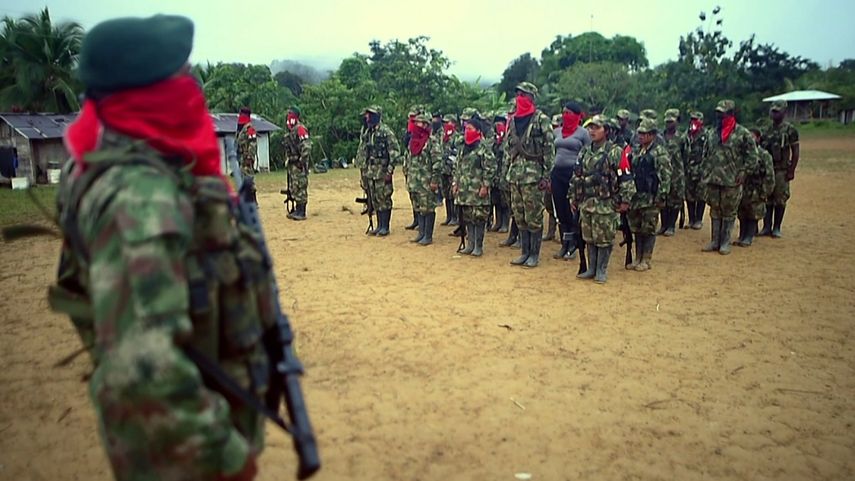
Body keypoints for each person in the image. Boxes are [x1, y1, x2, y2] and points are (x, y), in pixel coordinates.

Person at [51, 15, 266, 481]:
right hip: (181, 452)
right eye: (181, 79)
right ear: (150, 91)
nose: (193, 91)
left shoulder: (101, 161)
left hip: (170, 428)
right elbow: (144, 366)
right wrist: (224, 455)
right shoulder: (139, 198)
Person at [569, 115, 636, 283]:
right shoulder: (585, 151)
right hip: (587, 202)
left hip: (606, 203)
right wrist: (573, 197)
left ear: (606, 131)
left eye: (596, 128)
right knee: (589, 237)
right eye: (590, 128)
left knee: (604, 238)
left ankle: (601, 269)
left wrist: (625, 200)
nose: (592, 131)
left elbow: (625, 177)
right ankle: (591, 268)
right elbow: (576, 175)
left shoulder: (615, 152)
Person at [505, 82, 555, 268]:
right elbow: (508, 148)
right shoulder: (513, 120)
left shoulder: (541, 119)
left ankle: (534, 254)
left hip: (533, 176)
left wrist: (546, 176)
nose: (520, 98)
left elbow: (549, 149)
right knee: (519, 215)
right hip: (515, 175)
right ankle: (524, 252)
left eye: (523, 95)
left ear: (532, 97)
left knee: (533, 216)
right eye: (518, 94)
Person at [700, 99, 759, 255]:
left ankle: (725, 242)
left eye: (723, 114)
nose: (719, 117)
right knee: (715, 210)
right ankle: (715, 241)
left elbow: (753, 156)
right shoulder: (712, 133)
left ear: (731, 114)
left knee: (729, 211)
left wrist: (744, 171)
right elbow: (706, 154)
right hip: (713, 179)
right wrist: (705, 172)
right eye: (718, 114)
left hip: (731, 180)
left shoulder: (742, 134)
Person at [626, 118, 671, 271]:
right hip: (636, 196)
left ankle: (646, 259)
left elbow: (666, 175)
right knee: (637, 228)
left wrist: (662, 195)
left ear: (652, 135)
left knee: (649, 228)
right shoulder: (636, 151)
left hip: (651, 196)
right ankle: (637, 257)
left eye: (644, 133)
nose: (641, 136)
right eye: (640, 133)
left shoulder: (660, 152)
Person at [551, 101, 591, 260]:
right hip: (557, 174)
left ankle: (574, 245)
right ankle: (565, 244)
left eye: (568, 113)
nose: (565, 116)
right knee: (560, 209)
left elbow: (588, 153)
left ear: (576, 115)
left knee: (572, 210)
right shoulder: (556, 132)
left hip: (573, 175)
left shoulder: (583, 133)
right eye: (563, 113)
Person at [454, 112, 495, 257]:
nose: (467, 131)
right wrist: (455, 183)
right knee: (468, 217)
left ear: (478, 131)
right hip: (465, 190)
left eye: (470, 129)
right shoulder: (463, 148)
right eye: (466, 128)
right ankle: (470, 244)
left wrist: (485, 185)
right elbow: (457, 167)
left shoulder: (483, 147)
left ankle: (478, 246)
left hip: (478, 189)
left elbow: (490, 167)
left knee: (479, 217)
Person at [759, 99, 800, 238]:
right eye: (773, 111)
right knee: (767, 198)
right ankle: (766, 227)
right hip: (767, 170)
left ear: (784, 112)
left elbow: (795, 151)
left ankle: (777, 227)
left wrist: (791, 170)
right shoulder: (766, 129)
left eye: (777, 111)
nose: (774, 114)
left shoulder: (790, 130)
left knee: (780, 199)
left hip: (781, 170)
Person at [358, 105, 400, 236]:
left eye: (370, 115)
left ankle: (385, 227)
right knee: (375, 199)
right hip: (371, 171)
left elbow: (395, 152)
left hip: (382, 171)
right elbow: (364, 151)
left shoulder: (386, 132)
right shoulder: (368, 132)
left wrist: (389, 171)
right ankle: (379, 225)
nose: (368, 118)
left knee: (384, 198)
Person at [405, 113, 442, 245]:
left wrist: (434, 180)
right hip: (414, 181)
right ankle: (421, 233)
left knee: (428, 208)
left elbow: (437, 162)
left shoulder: (431, 141)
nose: (416, 125)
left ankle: (428, 235)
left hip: (426, 181)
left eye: (419, 123)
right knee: (418, 207)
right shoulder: (413, 141)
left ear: (426, 125)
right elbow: (408, 160)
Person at [734, 127, 775, 247]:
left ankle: (749, 237)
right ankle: (742, 235)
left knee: (753, 213)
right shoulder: (741, 154)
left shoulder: (764, 155)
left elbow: (769, 175)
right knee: (742, 212)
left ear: (758, 138)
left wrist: (765, 192)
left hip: (756, 189)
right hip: (743, 188)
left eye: (753, 137)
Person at [659, 108, 687, 236]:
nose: (668, 124)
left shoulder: (682, 138)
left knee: (675, 201)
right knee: (663, 200)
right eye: (667, 122)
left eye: (671, 122)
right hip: (662, 174)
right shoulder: (660, 137)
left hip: (677, 174)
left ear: (677, 121)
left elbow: (686, 156)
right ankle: (664, 225)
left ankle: (671, 226)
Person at [283, 106, 311, 220]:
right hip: (292, 164)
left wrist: (301, 161)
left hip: (299, 164)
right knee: (294, 186)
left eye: (290, 114)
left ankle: (301, 211)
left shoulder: (300, 129)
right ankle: (297, 209)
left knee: (300, 186)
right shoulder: (291, 130)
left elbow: (306, 147)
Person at [685, 111, 707, 229]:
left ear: (701, 121)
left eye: (696, 119)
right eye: (692, 119)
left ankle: (699, 219)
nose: (693, 122)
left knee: (701, 195)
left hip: (701, 168)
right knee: (689, 195)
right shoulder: (687, 134)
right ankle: (691, 219)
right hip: (689, 169)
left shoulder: (706, 134)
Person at [490, 111, 511, 233]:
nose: (498, 126)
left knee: (505, 201)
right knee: (496, 200)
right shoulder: (493, 139)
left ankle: (505, 224)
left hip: (504, 174)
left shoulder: (508, 139)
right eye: (496, 124)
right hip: (494, 175)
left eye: (500, 124)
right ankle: (498, 222)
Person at [439, 114, 459, 226]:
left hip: (452, 170)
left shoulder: (457, 137)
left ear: (454, 123)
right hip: (444, 170)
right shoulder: (443, 136)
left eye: (448, 122)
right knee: (446, 194)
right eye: (444, 123)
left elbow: (456, 154)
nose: (445, 124)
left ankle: (455, 217)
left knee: (452, 194)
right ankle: (449, 216)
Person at [236, 106, 258, 202]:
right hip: (242, 158)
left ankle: (253, 201)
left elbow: (253, 144)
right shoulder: (241, 129)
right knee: (243, 180)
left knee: (249, 179)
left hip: (247, 159)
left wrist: (250, 157)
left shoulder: (250, 128)